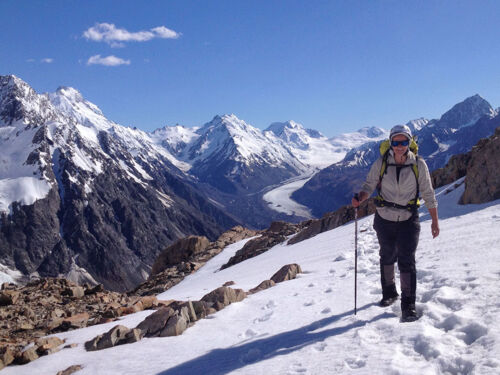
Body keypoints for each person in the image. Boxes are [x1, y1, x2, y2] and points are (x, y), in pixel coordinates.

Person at [352, 124, 439, 322]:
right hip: (384, 218)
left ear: (410, 142)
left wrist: (435, 221)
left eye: (404, 141)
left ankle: (408, 305)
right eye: (396, 142)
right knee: (387, 255)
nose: (399, 146)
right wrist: (361, 198)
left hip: (409, 218)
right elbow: (369, 186)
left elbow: (428, 193)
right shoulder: (381, 163)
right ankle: (389, 292)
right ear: (390, 142)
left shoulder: (418, 164)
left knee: (407, 260)